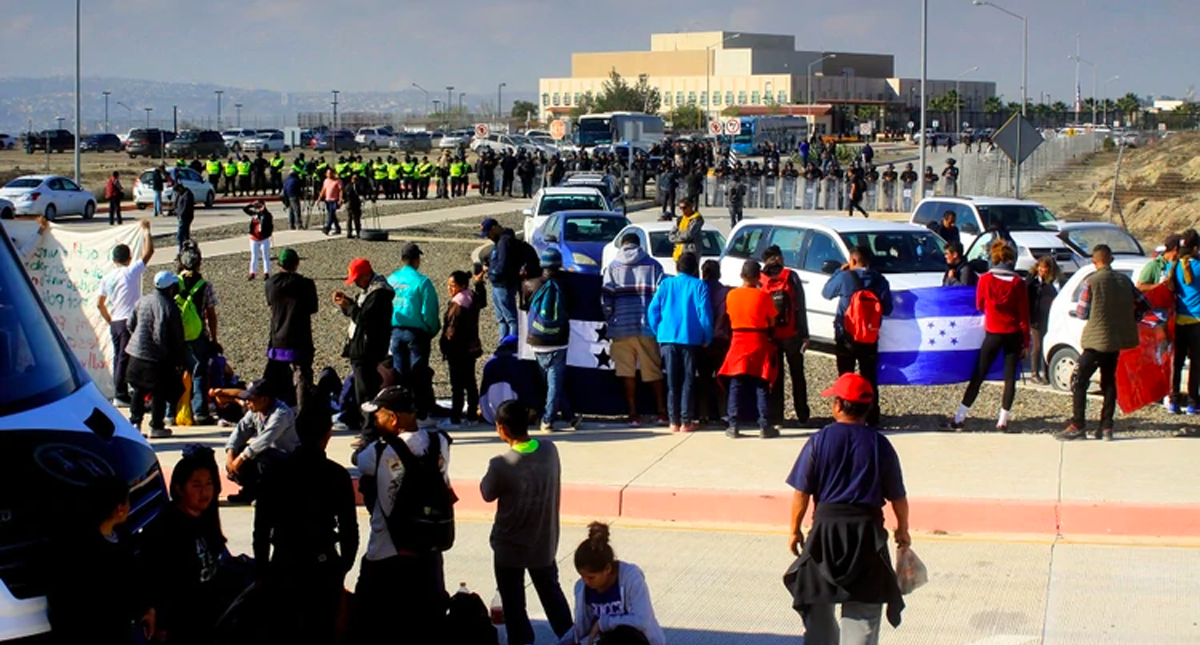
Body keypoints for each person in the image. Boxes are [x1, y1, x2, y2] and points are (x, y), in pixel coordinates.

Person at [785, 373, 909, 645]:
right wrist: (902, 530)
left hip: (825, 535)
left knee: (816, 602)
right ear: (867, 408)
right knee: (864, 612)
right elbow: (898, 497)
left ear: (838, 406)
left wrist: (795, 530)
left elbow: (801, 493)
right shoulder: (880, 445)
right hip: (866, 535)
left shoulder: (819, 441)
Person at [253, 393, 359, 643]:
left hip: (284, 561)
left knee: (285, 634)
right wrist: (343, 565)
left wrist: (262, 569)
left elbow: (261, 528)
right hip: (322, 562)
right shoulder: (336, 475)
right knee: (322, 634)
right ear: (328, 434)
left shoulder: (275, 473)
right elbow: (348, 529)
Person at [354, 386, 453, 641]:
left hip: (388, 553)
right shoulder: (440, 442)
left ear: (393, 419)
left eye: (378, 415)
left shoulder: (380, 452)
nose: (375, 420)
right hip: (429, 550)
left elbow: (359, 461)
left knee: (376, 623)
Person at [481, 400, 574, 645]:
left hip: (509, 545)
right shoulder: (549, 450)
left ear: (501, 428)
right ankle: (570, 636)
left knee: (513, 603)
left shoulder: (501, 464)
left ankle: (522, 640)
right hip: (543, 542)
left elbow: (486, 492)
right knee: (551, 594)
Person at [141, 445, 232, 645]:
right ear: (179, 488)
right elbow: (154, 578)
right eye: (196, 485)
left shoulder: (206, 520)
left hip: (208, 616)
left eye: (209, 484)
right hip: (180, 623)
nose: (204, 492)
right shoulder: (165, 527)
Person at [1058, 245, 1150, 441]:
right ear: (1111, 260)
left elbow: (1082, 312)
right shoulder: (1124, 281)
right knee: (1109, 381)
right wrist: (1131, 318)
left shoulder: (1092, 282)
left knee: (1079, 379)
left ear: (1094, 261)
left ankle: (1078, 424)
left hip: (1097, 339)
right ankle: (1106, 426)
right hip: (1117, 339)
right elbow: (1144, 304)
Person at [48, 476, 154, 645]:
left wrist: (146, 608)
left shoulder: (122, 536)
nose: (129, 506)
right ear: (119, 508)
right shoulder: (81, 550)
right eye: (127, 501)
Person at [948, 240, 1029, 432]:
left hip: (993, 332)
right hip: (1013, 334)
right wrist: (1026, 342)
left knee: (979, 374)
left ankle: (960, 417)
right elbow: (1024, 315)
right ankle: (1002, 420)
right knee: (1010, 378)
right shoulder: (1018, 283)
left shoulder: (985, 279)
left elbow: (979, 304)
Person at [555, 522, 666, 645]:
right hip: (601, 640)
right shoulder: (582, 588)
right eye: (582, 576)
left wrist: (603, 623)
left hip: (635, 640)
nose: (586, 581)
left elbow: (642, 621)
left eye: (591, 577)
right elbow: (581, 629)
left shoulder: (631, 579)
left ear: (607, 569)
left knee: (624, 633)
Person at [602, 233, 669, 427]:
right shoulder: (654, 266)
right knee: (654, 371)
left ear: (622, 246)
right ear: (639, 246)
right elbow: (660, 298)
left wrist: (610, 318)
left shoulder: (613, 267)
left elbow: (606, 298)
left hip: (621, 326)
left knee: (627, 373)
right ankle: (662, 412)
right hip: (647, 326)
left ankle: (633, 414)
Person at [822, 247, 894, 426]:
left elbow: (826, 293)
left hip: (846, 335)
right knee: (869, 376)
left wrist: (840, 270)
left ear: (852, 261)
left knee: (845, 375)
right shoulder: (880, 280)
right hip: (869, 337)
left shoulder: (845, 277)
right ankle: (871, 416)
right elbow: (888, 308)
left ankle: (846, 413)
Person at [646, 252, 712, 433]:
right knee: (688, 380)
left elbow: (653, 310)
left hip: (667, 337)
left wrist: (657, 330)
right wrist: (707, 336)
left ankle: (673, 421)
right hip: (691, 338)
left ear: (677, 267)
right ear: (695, 268)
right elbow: (704, 314)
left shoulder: (666, 284)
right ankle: (686, 420)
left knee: (672, 381)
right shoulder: (699, 286)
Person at [335, 258, 395, 444]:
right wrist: (348, 304)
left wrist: (349, 306)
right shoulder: (370, 292)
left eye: (357, 279)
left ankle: (370, 432)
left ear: (367, 275)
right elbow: (361, 314)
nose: (355, 282)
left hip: (368, 350)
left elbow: (365, 319)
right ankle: (368, 428)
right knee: (365, 391)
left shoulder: (379, 294)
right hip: (364, 348)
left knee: (366, 393)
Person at [524, 248, 581, 432]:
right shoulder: (567, 284)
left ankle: (570, 417)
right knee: (554, 384)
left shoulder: (529, 284)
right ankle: (547, 420)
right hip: (559, 339)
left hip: (536, 340)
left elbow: (523, 306)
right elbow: (572, 308)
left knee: (552, 384)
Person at [98, 220, 154, 406]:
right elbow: (148, 253)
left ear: (114, 260)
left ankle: (122, 391)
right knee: (126, 357)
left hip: (115, 321)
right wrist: (146, 231)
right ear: (129, 258)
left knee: (119, 357)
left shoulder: (107, 278)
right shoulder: (129, 273)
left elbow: (100, 303)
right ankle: (121, 394)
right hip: (128, 320)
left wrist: (109, 320)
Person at [720, 260, 777, 439]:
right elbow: (772, 320)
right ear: (758, 276)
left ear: (741, 275)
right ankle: (765, 425)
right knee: (761, 382)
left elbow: (729, 316)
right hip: (758, 339)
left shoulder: (731, 295)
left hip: (738, 340)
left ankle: (733, 425)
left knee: (736, 383)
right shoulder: (764, 296)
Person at [126, 270, 187, 438]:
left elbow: (130, 324)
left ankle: (135, 422)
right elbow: (176, 338)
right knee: (158, 392)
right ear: (170, 288)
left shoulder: (142, 301)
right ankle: (156, 426)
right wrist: (179, 360)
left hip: (136, 353)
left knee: (138, 389)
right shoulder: (170, 307)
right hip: (156, 357)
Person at [387, 242, 441, 427]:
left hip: (394, 332)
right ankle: (421, 414)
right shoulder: (422, 282)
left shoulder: (391, 280)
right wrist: (431, 330)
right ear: (417, 259)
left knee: (400, 376)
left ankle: (402, 413)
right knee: (419, 374)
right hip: (416, 333)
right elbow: (430, 311)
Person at [224, 379, 299, 504]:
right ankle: (250, 490)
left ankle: (267, 494)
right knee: (240, 451)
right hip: (267, 454)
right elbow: (241, 430)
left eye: (250, 399)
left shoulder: (281, 413)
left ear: (264, 399)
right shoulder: (255, 411)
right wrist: (230, 453)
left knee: (262, 456)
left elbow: (265, 440)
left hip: (287, 459)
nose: (247, 402)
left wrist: (240, 459)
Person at [760, 245, 811, 427]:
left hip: (772, 336)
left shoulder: (761, 278)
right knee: (797, 374)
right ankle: (802, 414)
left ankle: (777, 416)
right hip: (792, 333)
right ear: (779, 257)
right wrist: (805, 334)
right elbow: (800, 306)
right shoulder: (791, 276)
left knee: (776, 376)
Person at [264, 248, 319, 409]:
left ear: (279, 264)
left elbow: (270, 303)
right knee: (302, 376)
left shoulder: (271, 284)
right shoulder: (306, 284)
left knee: (273, 374)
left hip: (278, 336)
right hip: (300, 335)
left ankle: (271, 410)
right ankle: (303, 411)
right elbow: (313, 308)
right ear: (297, 264)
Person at [174, 242, 219, 425]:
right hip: (198, 333)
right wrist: (214, 338)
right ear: (199, 262)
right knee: (199, 372)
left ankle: (171, 412)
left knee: (177, 372)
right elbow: (211, 314)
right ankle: (200, 412)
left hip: (177, 334)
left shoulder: (173, 282)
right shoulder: (204, 285)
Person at [439, 269, 487, 429]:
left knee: (457, 385)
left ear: (462, 285)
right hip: (471, 348)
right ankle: (472, 415)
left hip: (457, 349)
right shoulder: (471, 297)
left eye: (453, 285)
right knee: (470, 383)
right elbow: (483, 301)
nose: (449, 289)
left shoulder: (458, 304)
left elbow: (451, 330)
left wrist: (444, 346)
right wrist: (479, 284)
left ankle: (455, 417)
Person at [1167, 229, 1200, 414]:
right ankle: (1193, 403)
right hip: (1197, 322)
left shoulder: (1172, 267)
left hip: (1177, 322)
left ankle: (1173, 401)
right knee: (1196, 364)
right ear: (1195, 248)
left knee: (1177, 363)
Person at [696, 260, 730, 425]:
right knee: (721, 378)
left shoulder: (698, 289)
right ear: (719, 273)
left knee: (703, 378)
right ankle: (723, 413)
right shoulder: (726, 292)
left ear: (704, 273)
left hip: (701, 340)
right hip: (721, 340)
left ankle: (703, 414)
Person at [482, 217, 525, 340]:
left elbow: (503, 264)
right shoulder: (500, 240)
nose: (488, 237)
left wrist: (490, 270)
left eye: (488, 233)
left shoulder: (504, 242)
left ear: (494, 228)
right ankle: (503, 345)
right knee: (502, 319)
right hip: (499, 284)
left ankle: (511, 346)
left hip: (504, 284)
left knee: (511, 319)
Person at [1026, 256, 1061, 384]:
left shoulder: (1053, 283)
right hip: (1035, 318)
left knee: (1047, 345)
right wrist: (1031, 277)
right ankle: (1034, 373)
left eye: (1044, 268)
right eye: (1039, 267)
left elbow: (1057, 295)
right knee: (1037, 345)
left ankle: (1046, 373)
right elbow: (1025, 289)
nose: (1041, 270)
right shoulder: (1034, 282)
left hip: (1049, 318)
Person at [243, 200, 274, 280]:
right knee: (254, 256)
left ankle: (266, 273)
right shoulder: (254, 214)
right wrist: (251, 205)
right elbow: (245, 209)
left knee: (265, 256)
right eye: (257, 206)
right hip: (254, 238)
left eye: (259, 205)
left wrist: (263, 210)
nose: (258, 208)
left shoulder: (267, 215)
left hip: (264, 238)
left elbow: (270, 224)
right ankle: (252, 273)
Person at [669, 195, 704, 262]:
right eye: (680, 208)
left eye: (684, 208)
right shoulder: (680, 219)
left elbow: (688, 234)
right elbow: (671, 235)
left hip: (690, 253)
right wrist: (679, 236)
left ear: (691, 206)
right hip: (679, 253)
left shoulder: (696, 219)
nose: (682, 210)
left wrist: (677, 235)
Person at [316, 167, 343, 236]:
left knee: (331, 214)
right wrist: (319, 198)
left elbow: (340, 191)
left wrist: (340, 199)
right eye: (327, 173)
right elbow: (323, 190)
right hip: (327, 200)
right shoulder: (326, 181)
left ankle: (327, 228)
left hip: (334, 200)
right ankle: (338, 228)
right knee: (332, 215)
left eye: (330, 173)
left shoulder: (338, 181)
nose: (329, 174)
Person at [174, 175, 195, 251]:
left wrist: (181, 215)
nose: (177, 193)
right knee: (185, 235)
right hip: (181, 217)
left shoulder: (188, 194)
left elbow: (186, 207)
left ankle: (181, 251)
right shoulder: (181, 195)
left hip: (185, 217)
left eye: (178, 191)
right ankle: (185, 250)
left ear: (180, 188)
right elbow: (177, 205)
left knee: (180, 236)